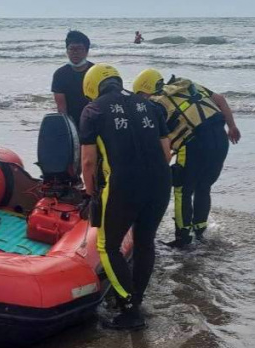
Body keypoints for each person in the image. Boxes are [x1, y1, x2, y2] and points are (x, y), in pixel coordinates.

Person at [79, 63, 172, 331]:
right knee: (145, 242)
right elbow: (166, 152)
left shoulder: (93, 110)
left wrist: (89, 192)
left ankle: (130, 309)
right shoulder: (152, 107)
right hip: (160, 183)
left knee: (107, 247)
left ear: (92, 86)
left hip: (123, 186)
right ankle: (137, 298)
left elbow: (87, 161)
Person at [132, 68, 241, 248]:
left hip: (194, 145)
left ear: (146, 89)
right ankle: (200, 231)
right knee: (204, 187)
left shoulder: (156, 103)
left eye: (141, 95)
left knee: (182, 190)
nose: (141, 99)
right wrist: (232, 127)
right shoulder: (187, 84)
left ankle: (182, 238)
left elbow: (160, 138)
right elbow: (220, 99)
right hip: (221, 140)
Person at [52, 30, 94, 127]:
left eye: (79, 49)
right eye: (72, 49)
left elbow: (102, 101)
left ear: (86, 51)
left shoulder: (95, 71)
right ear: (67, 51)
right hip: (72, 120)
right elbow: (61, 106)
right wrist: (68, 126)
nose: (75, 53)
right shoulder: (60, 74)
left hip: (94, 119)